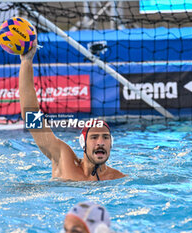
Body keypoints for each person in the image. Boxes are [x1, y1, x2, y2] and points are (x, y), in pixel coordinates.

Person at [19, 39, 126, 181]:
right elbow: (31, 116)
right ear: (83, 143)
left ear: (111, 143)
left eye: (105, 137)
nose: (100, 142)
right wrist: (26, 61)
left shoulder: (117, 178)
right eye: (94, 137)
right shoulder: (63, 159)